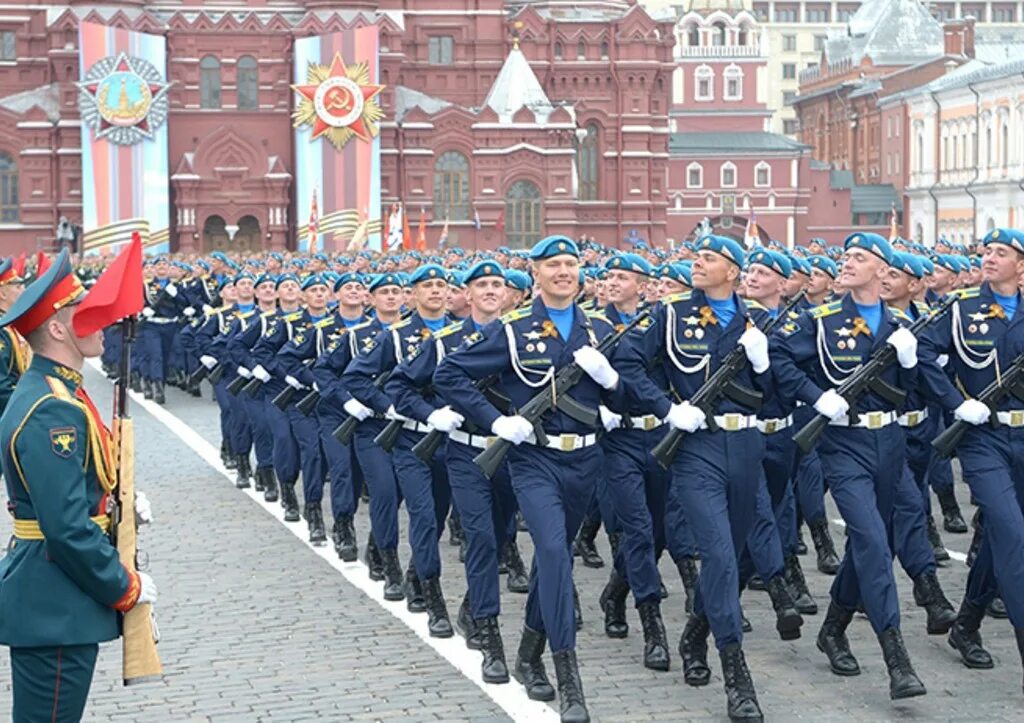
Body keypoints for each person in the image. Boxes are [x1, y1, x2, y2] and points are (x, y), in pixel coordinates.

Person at [435, 236, 617, 723]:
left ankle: (529, 651)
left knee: (551, 564)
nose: (563, 271)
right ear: (534, 275)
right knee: (554, 553)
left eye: (571, 264)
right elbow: (449, 374)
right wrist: (494, 422)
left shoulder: (599, 329)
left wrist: (615, 386)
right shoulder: (514, 331)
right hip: (534, 461)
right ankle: (569, 677)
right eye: (553, 264)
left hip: (585, 461)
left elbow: (633, 391)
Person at [613, 235, 773, 721]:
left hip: (746, 447)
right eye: (696, 256)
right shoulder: (671, 314)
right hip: (695, 448)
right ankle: (736, 675)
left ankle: (695, 634)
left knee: (739, 557)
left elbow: (779, 394)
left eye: (709, 258)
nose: (697, 263)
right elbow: (629, 362)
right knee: (719, 556)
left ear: (733, 271)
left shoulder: (759, 321)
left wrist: (764, 363)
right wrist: (666, 407)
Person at [0, 249, 157, 722]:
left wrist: (114, 503)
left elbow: (74, 488)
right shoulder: (53, 408)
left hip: (55, 597)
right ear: (56, 328)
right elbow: (64, 526)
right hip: (54, 598)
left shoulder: (60, 391)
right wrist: (124, 585)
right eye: (84, 314)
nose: (102, 323)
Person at [770, 232, 927, 701]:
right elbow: (779, 357)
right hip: (844, 444)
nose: (847, 262)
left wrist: (913, 359)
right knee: (872, 541)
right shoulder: (820, 319)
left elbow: (921, 387)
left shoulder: (901, 324)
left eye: (859, 258)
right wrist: (818, 396)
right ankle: (896, 658)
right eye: (846, 256)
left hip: (891, 443)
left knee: (878, 540)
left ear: (883, 271)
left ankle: (834, 628)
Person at [917, 227, 1024, 695]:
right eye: (987, 252)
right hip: (983, 437)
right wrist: (955, 403)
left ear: (1021, 265)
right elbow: (923, 353)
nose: (990, 258)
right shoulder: (962, 309)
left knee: (1000, 534)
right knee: (1014, 534)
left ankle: (967, 624)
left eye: (1002, 253)